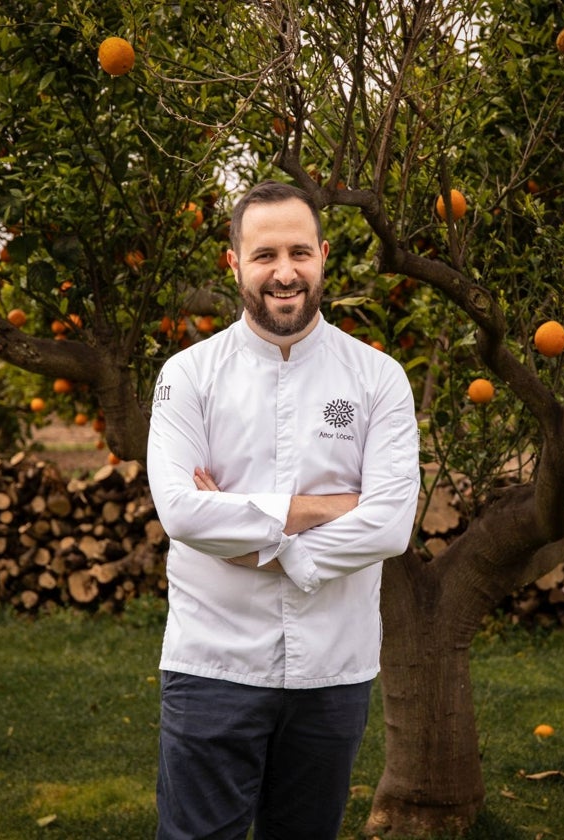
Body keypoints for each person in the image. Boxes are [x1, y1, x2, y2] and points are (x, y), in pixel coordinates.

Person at [146, 180, 421, 839]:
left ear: (324, 254)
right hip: (213, 661)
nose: (285, 271)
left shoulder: (379, 380)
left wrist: (252, 538)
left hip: (335, 667)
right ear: (233, 263)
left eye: (300, 251)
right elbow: (183, 514)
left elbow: (387, 523)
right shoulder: (187, 377)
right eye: (265, 254)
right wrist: (325, 509)